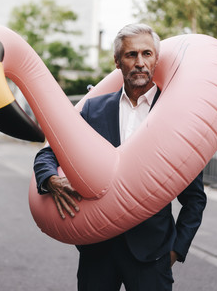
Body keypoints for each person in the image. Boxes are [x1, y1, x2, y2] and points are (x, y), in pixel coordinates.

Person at [33, 23, 207, 291]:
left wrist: (175, 251)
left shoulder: (174, 116)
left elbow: (194, 199)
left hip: (151, 256)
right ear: (117, 61)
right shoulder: (93, 109)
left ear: (156, 60)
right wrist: (51, 180)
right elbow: (49, 152)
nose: (139, 63)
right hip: (97, 252)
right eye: (130, 55)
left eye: (147, 54)